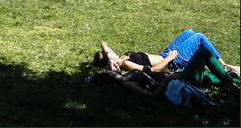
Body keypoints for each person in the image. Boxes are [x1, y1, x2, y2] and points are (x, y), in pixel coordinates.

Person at [91, 45, 239, 103]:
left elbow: (105, 47)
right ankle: (230, 83)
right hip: (176, 82)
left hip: (177, 76)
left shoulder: (128, 73)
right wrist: (168, 80)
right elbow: (151, 97)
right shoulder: (127, 82)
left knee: (208, 78)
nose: (113, 72)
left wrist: (111, 60)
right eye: (111, 74)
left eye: (111, 71)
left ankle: (231, 80)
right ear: (111, 80)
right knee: (203, 52)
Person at [94, 29, 231, 73]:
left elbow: (103, 43)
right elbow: (151, 71)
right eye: (109, 53)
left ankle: (216, 64)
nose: (110, 50)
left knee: (189, 31)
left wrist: (110, 57)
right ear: (108, 59)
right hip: (172, 61)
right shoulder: (126, 64)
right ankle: (223, 67)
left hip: (164, 53)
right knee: (199, 38)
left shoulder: (121, 56)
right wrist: (169, 59)